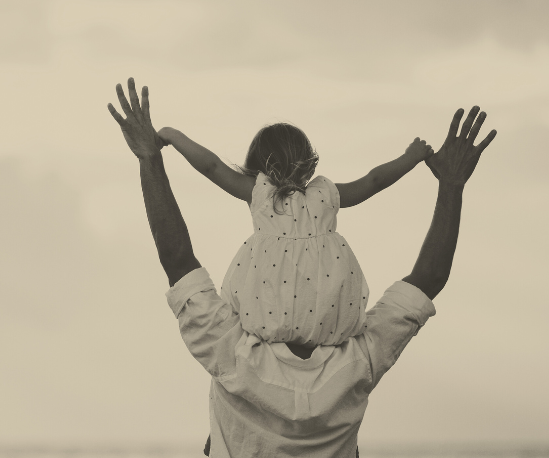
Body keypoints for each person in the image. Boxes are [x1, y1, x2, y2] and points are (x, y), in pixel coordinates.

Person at [107, 79, 496, 458]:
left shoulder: (233, 358)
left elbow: (178, 259)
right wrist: (450, 186)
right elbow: (426, 279)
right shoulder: (357, 364)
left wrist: (151, 158)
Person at [157, 124, 433, 347]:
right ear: (307, 163)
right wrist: (411, 157)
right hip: (326, 314)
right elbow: (374, 181)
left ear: (257, 164)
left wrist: (173, 136)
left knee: (263, 313)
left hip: (271, 315)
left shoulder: (261, 194)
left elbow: (212, 167)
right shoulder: (326, 194)